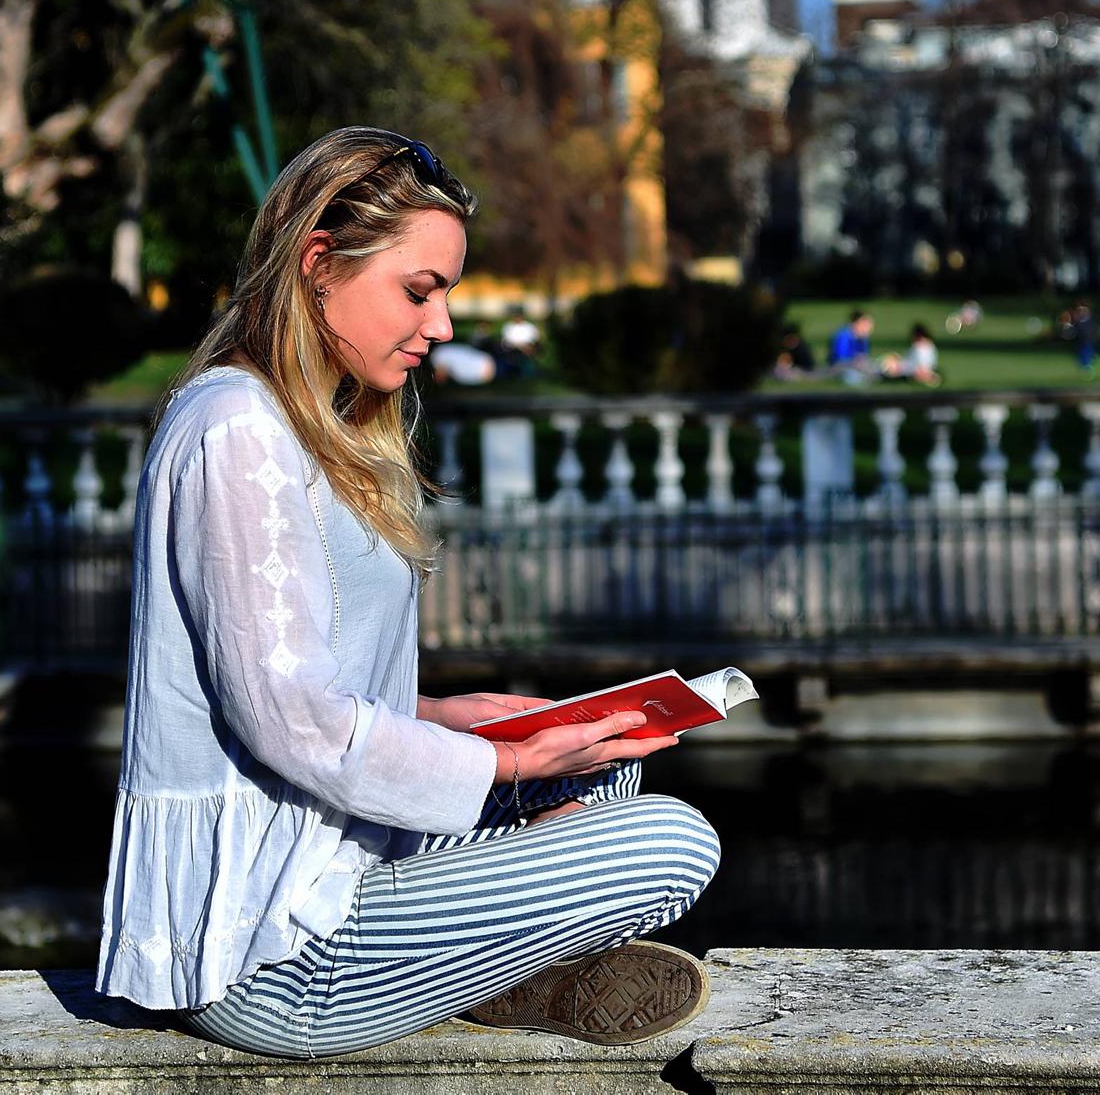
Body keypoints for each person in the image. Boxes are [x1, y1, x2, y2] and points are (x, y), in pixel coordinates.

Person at [94, 127, 719, 1059]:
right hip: (272, 951)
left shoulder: (321, 425)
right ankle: (501, 965)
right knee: (674, 841)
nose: (443, 325)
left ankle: (486, 963)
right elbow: (291, 721)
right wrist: (506, 768)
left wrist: (450, 714)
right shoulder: (238, 430)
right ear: (316, 265)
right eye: (419, 292)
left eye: (446, 295)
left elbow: (280, 673)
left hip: (340, 857)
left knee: (606, 761)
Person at [826, 309, 876, 386]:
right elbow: (841, 360)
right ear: (856, 323)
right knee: (853, 376)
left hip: (855, 366)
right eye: (866, 324)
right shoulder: (843, 336)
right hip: (840, 368)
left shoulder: (862, 338)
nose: (869, 327)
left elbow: (865, 356)